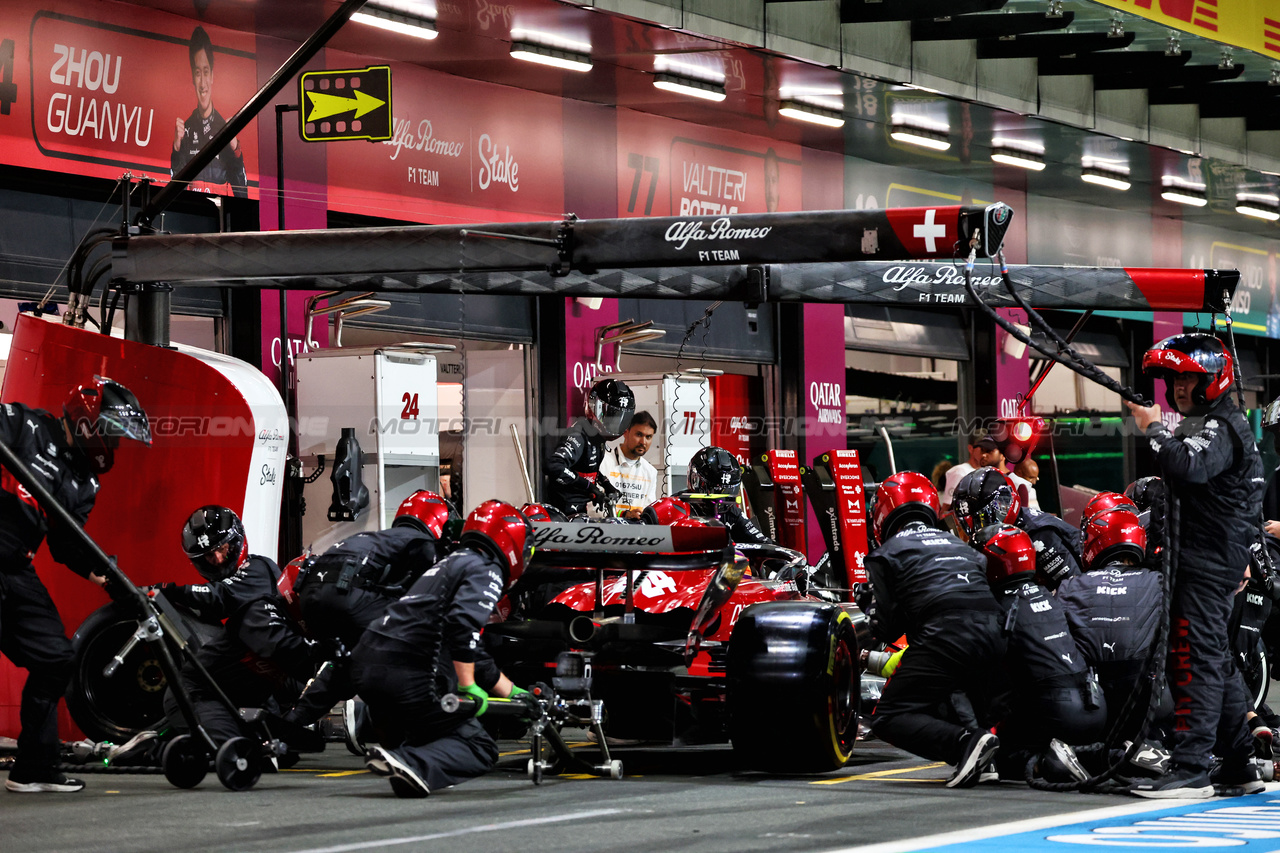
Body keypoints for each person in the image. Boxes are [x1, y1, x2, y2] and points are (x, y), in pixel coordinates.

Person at [1125, 333, 1264, 798]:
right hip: (1206, 559)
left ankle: (1191, 768)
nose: (1179, 387)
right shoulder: (1216, 422)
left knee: (1195, 660)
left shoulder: (1221, 427)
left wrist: (1153, 427)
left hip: (1207, 563)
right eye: (1173, 378)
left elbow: (1188, 466)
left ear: (1213, 378)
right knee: (1215, 659)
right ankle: (1239, 764)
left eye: (1188, 377)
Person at [1, 378, 150, 793]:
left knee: (55, 657)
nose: (116, 446)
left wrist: (108, 578)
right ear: (90, 424)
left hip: (14, 569)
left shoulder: (86, 482)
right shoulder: (22, 426)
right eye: (114, 435)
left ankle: (33, 768)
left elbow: (68, 544)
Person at [352, 500, 533, 797]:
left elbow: (472, 649)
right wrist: (468, 686)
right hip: (407, 670)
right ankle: (411, 761)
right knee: (479, 746)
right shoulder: (485, 568)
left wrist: (512, 693)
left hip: (367, 666)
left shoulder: (447, 564)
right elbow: (463, 626)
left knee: (434, 734)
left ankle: (410, 764)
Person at [860, 471, 1006, 788]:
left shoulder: (885, 555)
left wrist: (866, 605)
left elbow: (885, 629)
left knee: (889, 716)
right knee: (953, 684)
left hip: (946, 633)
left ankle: (964, 744)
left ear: (882, 514)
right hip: (997, 635)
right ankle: (984, 756)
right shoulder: (965, 548)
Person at [284, 490, 455, 726]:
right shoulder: (420, 542)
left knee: (347, 665)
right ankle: (437, 720)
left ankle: (287, 727)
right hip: (347, 595)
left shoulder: (375, 538)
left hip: (312, 601)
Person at [160, 506, 319, 749]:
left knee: (293, 741)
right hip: (234, 680)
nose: (218, 560)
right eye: (208, 557)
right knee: (247, 745)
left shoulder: (259, 569)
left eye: (222, 549)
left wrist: (167, 590)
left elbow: (219, 597)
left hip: (265, 674)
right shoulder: (245, 608)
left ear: (236, 541)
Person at [973, 524, 1105, 784]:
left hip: (1056, 709)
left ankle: (1046, 763)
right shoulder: (1049, 596)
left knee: (998, 754)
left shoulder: (998, 609)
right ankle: (1114, 753)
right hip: (1095, 704)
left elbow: (995, 685)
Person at [1056, 508, 1172, 770]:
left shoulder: (1069, 585)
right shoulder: (1160, 581)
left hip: (1092, 706)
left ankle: (1099, 755)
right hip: (1149, 703)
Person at [951, 467, 1083, 588]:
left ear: (1002, 504)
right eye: (966, 524)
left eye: (981, 520)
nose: (975, 529)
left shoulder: (1038, 533)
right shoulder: (1012, 528)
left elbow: (1072, 588)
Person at [171, 26, 248, 197]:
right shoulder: (185, 131)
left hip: (218, 220)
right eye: (198, 73)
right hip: (193, 217)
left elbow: (242, 194)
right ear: (192, 77)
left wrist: (236, 150)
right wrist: (176, 150)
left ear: (212, 75)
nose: (203, 83)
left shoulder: (225, 130)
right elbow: (174, 195)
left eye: (206, 72)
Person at [544, 378, 635, 516]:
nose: (615, 423)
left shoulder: (597, 438)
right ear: (595, 407)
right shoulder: (579, 435)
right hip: (562, 515)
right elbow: (554, 465)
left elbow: (587, 469)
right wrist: (588, 486)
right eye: (612, 416)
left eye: (620, 418)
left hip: (580, 513)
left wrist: (606, 484)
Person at [677, 446, 770, 545]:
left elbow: (763, 543)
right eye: (715, 490)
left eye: (728, 490)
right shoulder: (676, 506)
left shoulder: (732, 513)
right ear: (695, 481)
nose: (721, 498)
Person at [598, 411, 659, 519]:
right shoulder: (603, 461)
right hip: (605, 531)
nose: (643, 442)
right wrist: (624, 514)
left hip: (638, 534)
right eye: (639, 434)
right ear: (625, 432)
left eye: (648, 437)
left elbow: (649, 511)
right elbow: (594, 509)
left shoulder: (651, 472)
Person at [940, 431, 1004, 511]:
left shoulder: (986, 473)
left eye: (988, 449)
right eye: (982, 448)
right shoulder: (959, 472)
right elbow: (946, 508)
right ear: (970, 448)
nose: (984, 453)